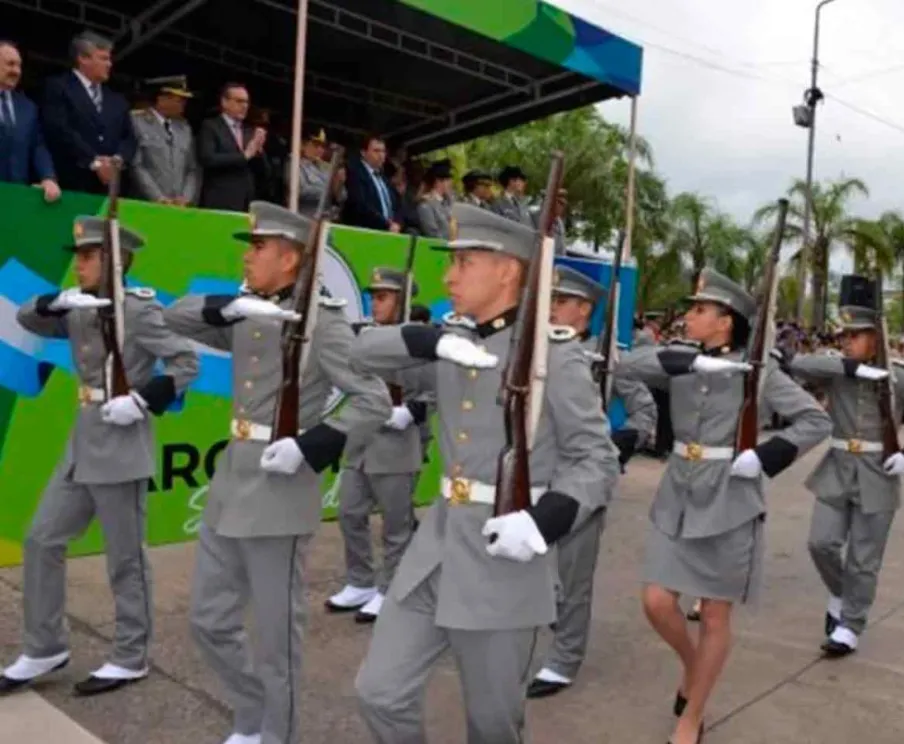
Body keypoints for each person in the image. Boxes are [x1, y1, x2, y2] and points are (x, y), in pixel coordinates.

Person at [352, 203, 619, 743]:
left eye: (465, 262)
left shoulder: (554, 358)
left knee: (493, 724)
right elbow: (357, 349)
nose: (449, 276)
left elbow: (597, 459)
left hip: (504, 559)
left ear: (508, 270)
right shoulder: (451, 340)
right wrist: (429, 340)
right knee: (378, 691)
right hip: (437, 549)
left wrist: (543, 523)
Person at [163, 201, 392, 744]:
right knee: (208, 620)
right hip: (231, 484)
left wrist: (311, 445)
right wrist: (232, 308)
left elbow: (373, 401)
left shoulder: (323, 326)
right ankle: (251, 715)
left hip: (280, 487)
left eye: (258, 248)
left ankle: (276, 733)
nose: (248, 257)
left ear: (290, 260)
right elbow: (175, 316)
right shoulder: (250, 311)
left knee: (275, 638)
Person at [614, 268, 831, 744]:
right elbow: (625, 365)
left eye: (699, 310)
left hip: (729, 497)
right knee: (655, 601)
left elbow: (815, 421)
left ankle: (691, 716)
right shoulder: (682, 360)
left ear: (726, 322)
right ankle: (693, 666)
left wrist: (765, 456)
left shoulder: (760, 374)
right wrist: (688, 364)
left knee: (714, 615)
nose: (688, 317)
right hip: (677, 494)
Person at [0, 216, 198, 697]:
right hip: (82, 443)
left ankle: (131, 656)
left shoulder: (141, 311)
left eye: (88, 256)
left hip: (122, 445)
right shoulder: (80, 306)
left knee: (124, 559)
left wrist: (143, 400)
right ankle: (44, 644)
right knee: (42, 539)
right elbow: (27, 316)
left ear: (116, 261)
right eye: (79, 256)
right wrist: (56, 300)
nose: (79, 264)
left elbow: (185, 361)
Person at [787, 275, 904, 659]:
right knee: (820, 542)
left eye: (854, 336)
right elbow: (795, 363)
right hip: (838, 467)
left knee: (864, 558)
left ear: (874, 337)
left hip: (879, 472)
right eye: (843, 336)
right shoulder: (838, 370)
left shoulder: (898, 376)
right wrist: (845, 366)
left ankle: (850, 625)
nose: (846, 341)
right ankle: (841, 593)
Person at [526, 265, 656, 699]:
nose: (553, 310)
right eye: (552, 300)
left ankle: (564, 659)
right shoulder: (536, 353)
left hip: (579, 484)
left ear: (584, 310)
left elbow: (645, 413)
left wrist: (623, 441)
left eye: (561, 303)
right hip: (533, 478)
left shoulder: (607, 363)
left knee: (572, 578)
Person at [325, 267, 432, 623]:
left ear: (402, 303)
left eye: (383, 297)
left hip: (397, 446)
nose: (375, 303)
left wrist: (412, 411)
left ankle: (392, 588)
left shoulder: (420, 342)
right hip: (361, 442)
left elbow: (439, 389)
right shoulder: (361, 338)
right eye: (373, 296)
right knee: (349, 513)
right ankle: (360, 581)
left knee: (396, 525)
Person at [41, 30, 136, 194]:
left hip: (109, 189)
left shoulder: (117, 100)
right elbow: (59, 130)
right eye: (104, 58)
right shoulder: (58, 87)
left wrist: (116, 161)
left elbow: (129, 138)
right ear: (83, 58)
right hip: (72, 184)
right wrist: (94, 161)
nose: (110, 64)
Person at [0, 39, 60, 200]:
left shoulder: (28, 107)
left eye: (19, 65)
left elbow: (37, 146)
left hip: (16, 196)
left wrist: (48, 177)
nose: (17, 71)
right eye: (10, 64)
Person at [130, 75, 198, 206]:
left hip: (178, 206)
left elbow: (192, 169)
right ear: (162, 99)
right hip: (145, 203)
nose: (184, 105)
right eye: (179, 100)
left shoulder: (185, 128)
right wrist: (157, 197)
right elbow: (137, 165)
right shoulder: (137, 122)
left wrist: (185, 198)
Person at [198, 82, 265, 212]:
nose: (244, 106)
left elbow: (263, 173)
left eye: (246, 102)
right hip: (220, 199)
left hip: (246, 201)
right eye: (239, 101)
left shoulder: (249, 131)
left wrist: (259, 152)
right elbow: (208, 159)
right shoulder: (211, 126)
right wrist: (244, 156)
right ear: (224, 102)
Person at [342, 134, 400, 232]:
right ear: (363, 153)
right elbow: (360, 205)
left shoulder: (385, 179)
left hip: (389, 233)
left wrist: (398, 223)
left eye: (383, 151)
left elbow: (397, 205)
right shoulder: (355, 173)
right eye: (376, 151)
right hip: (365, 232)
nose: (381, 155)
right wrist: (386, 224)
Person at [294, 127, 329, 217]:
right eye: (316, 146)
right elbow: (299, 191)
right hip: (304, 218)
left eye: (322, 147)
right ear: (303, 145)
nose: (320, 150)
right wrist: (328, 191)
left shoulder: (325, 167)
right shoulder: (294, 163)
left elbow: (343, 195)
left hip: (325, 219)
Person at [415, 160, 454, 239]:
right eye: (448, 180)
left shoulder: (447, 203)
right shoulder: (425, 205)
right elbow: (432, 235)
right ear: (438, 182)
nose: (451, 183)